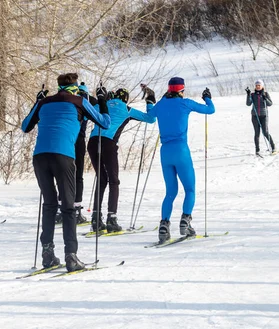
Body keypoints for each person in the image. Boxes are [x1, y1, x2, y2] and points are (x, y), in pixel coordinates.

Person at [22, 73, 110, 272]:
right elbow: (104, 122)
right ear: (75, 86)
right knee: (68, 207)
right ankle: (71, 255)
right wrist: (103, 100)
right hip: (63, 156)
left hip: (40, 157)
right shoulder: (79, 100)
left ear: (58, 86)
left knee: (49, 204)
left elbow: (25, 126)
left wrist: (36, 102)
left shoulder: (44, 102)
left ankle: (47, 253)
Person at [129, 77, 215, 243]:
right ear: (182, 90)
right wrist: (207, 97)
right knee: (190, 189)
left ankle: (164, 226)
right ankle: (185, 222)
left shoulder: (161, 104)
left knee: (170, 192)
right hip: (181, 151)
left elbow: (149, 117)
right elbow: (210, 110)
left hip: (165, 152)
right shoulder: (186, 103)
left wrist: (150, 100)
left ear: (169, 89)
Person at [87, 87, 156, 233]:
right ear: (125, 98)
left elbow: (86, 114)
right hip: (108, 143)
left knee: (101, 179)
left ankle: (96, 219)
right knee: (113, 180)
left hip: (93, 142)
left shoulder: (102, 104)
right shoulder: (126, 108)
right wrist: (150, 101)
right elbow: (151, 119)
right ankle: (112, 219)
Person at [54, 82, 95, 225]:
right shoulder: (84, 103)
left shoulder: (68, 102)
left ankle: (60, 208)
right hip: (78, 141)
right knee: (78, 176)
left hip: (65, 140)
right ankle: (76, 209)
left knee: (63, 174)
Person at [246, 79, 275, 155]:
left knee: (265, 132)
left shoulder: (265, 94)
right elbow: (248, 104)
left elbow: (270, 104)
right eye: (256, 85)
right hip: (255, 116)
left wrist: (266, 99)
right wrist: (248, 94)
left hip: (264, 116)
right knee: (257, 133)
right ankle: (257, 150)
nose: (258, 87)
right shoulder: (252, 95)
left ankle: (273, 147)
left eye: (259, 85)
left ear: (262, 86)